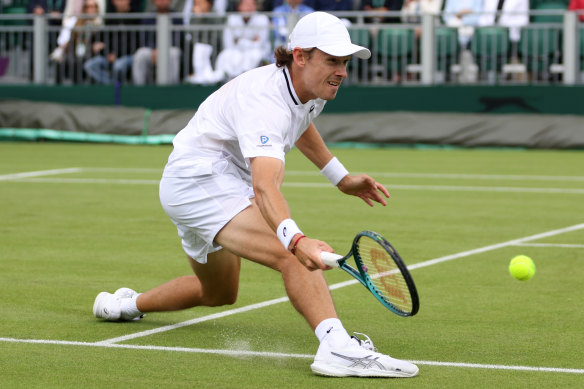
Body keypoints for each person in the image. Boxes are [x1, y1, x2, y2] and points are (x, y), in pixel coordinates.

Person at [93, 11, 419, 379]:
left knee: (217, 293)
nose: (342, 71)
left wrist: (340, 177)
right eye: (332, 60)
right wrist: (296, 240)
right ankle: (337, 348)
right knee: (294, 255)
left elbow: (299, 124)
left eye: (344, 62)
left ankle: (124, 306)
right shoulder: (263, 101)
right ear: (300, 56)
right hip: (198, 182)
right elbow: (266, 186)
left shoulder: (311, 86)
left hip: (215, 182)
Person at [212, 0, 271, 81]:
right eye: (246, 4)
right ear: (239, 7)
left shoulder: (262, 19)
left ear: (255, 6)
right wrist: (251, 41)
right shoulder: (232, 19)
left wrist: (239, 41)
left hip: (256, 51)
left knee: (255, 54)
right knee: (227, 55)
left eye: (251, 5)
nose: (248, 8)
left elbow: (260, 44)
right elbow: (228, 43)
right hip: (235, 51)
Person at [83, 0, 139, 84]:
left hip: (129, 55)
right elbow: (106, 39)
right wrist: (108, 53)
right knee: (90, 65)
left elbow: (134, 42)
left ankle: (118, 88)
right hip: (110, 56)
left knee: (118, 66)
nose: (122, 2)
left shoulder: (135, 17)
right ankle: (112, 85)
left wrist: (117, 54)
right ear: (113, 2)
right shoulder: (110, 18)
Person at [132, 0, 183, 85]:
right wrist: (154, 49)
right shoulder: (148, 18)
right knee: (140, 54)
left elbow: (178, 39)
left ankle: (172, 86)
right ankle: (138, 87)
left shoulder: (176, 17)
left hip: (170, 49)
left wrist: (163, 50)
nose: (162, 1)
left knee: (174, 53)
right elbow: (144, 38)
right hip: (151, 51)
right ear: (153, 1)